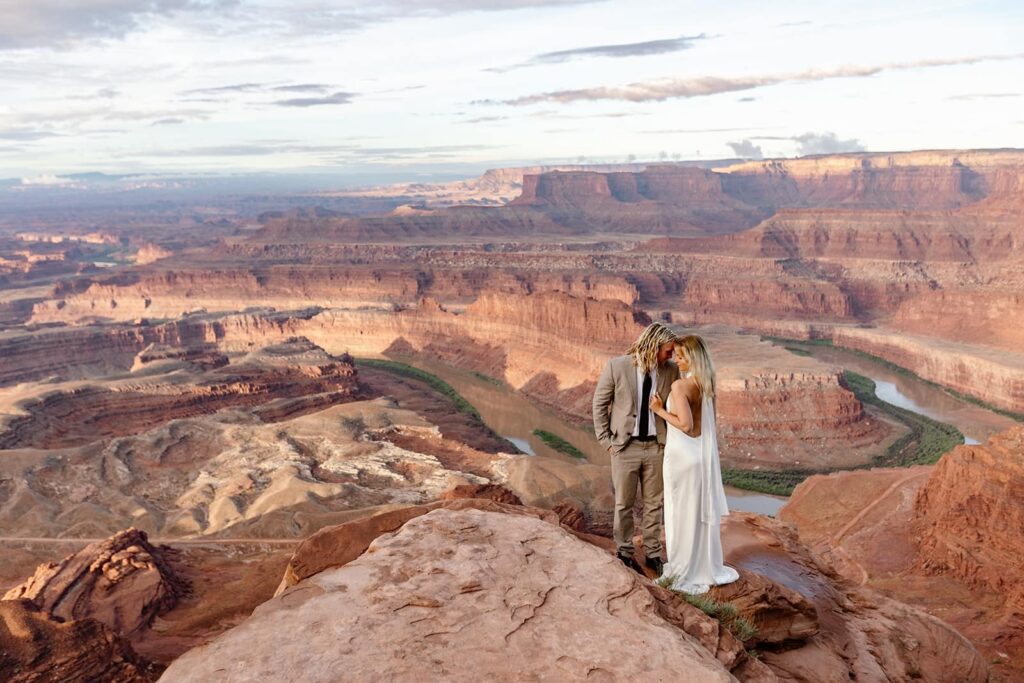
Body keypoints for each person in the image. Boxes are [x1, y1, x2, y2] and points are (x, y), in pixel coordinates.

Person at [650, 334, 739, 594]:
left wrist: (659, 410)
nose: (677, 360)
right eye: (675, 355)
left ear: (693, 358)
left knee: (680, 512)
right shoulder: (706, 383)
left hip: (682, 457)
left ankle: (684, 566)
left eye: (681, 356)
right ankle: (703, 564)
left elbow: (688, 427)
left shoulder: (680, 386)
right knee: (696, 514)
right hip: (699, 458)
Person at [592, 322, 678, 575]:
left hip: (656, 447)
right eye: (667, 351)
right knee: (624, 503)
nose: (670, 356)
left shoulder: (670, 371)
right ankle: (624, 551)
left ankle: (653, 554)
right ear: (653, 345)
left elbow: (677, 404)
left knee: (654, 504)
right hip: (624, 447)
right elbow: (599, 405)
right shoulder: (617, 366)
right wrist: (606, 442)